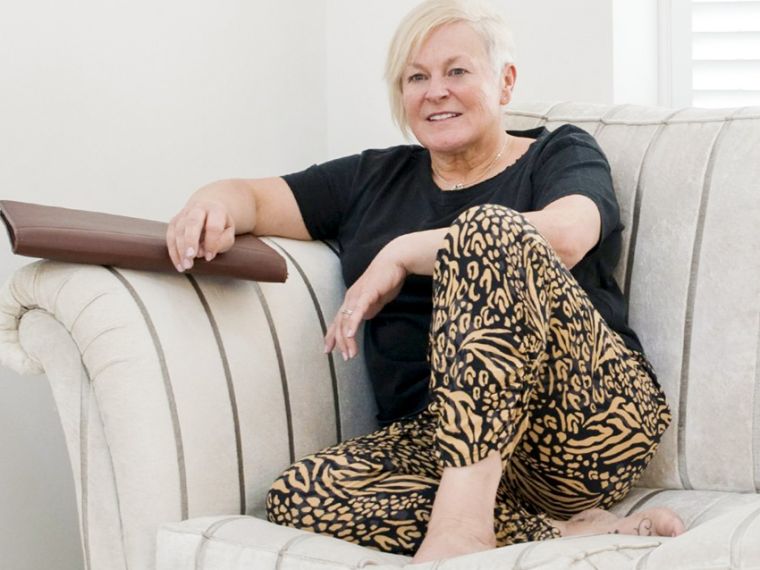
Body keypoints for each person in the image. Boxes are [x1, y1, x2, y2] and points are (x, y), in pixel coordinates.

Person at [166, 0, 685, 563]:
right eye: (417, 77)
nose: (435, 90)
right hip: (441, 440)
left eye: (457, 71)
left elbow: (566, 233)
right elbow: (253, 196)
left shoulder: (558, 153)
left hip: (583, 427)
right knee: (299, 493)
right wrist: (208, 205)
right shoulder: (372, 178)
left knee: (488, 230)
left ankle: (461, 527)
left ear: (504, 82)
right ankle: (561, 535)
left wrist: (405, 251)